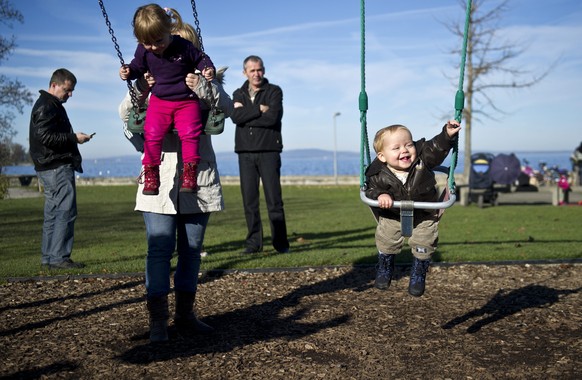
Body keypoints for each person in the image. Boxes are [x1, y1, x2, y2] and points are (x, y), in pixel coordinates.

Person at [119, 11, 233, 343]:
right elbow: (126, 115)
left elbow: (225, 109)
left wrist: (203, 87)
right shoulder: (151, 74)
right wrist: (142, 86)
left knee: (192, 249)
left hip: (198, 177)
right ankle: (158, 321)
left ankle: (185, 315)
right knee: (159, 249)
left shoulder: (203, 78)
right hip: (160, 175)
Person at [119, 3, 215, 196]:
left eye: (158, 41)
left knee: (190, 133)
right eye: (148, 43)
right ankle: (152, 175)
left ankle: (189, 174)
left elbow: (201, 58)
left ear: (168, 31)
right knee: (152, 134)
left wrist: (207, 68)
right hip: (159, 100)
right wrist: (128, 72)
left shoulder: (184, 46)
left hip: (186, 101)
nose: (154, 47)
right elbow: (137, 66)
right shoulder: (144, 51)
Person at [365, 120, 461, 297]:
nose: (404, 150)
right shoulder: (377, 173)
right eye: (396, 148)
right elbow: (369, 189)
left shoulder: (422, 159)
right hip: (392, 214)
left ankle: (418, 271)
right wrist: (380, 195)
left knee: (425, 240)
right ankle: (385, 266)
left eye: (409, 144)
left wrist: (446, 135)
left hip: (424, 213)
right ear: (382, 156)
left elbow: (435, 148)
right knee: (386, 239)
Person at [29, 68, 92, 270]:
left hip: (48, 166)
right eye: (67, 89)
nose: (70, 94)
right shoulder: (48, 106)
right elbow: (45, 137)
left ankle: (48, 257)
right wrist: (74, 138)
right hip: (56, 166)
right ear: (54, 85)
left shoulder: (48, 104)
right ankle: (59, 258)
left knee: (53, 212)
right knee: (65, 211)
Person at [230, 55, 290, 255]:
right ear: (244, 72)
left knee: (274, 201)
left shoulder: (274, 91)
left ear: (263, 70)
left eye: (259, 69)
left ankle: (281, 245)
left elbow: (273, 118)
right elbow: (236, 118)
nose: (256, 74)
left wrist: (247, 114)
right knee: (249, 201)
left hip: (269, 151)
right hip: (245, 153)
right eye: (252, 70)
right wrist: (258, 110)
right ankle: (253, 244)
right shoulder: (238, 93)